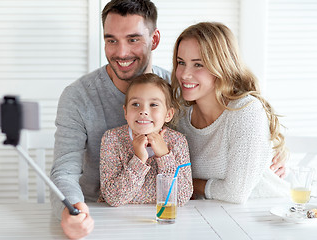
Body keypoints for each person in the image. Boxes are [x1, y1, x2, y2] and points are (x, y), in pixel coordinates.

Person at [50, 0, 286, 239]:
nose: (121, 52)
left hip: (216, 214)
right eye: (111, 40)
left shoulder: (177, 91)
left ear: (154, 40)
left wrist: (275, 148)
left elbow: (237, 129)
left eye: (133, 39)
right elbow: (64, 171)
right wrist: (69, 209)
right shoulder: (80, 96)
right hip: (103, 214)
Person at [171, 22, 289, 204]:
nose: (185, 74)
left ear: (221, 67)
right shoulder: (179, 115)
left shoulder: (245, 111)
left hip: (266, 213)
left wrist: (189, 183)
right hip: (210, 214)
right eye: (181, 62)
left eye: (198, 64)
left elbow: (235, 193)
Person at [99, 73, 192, 207]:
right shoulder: (112, 139)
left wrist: (164, 156)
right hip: (118, 219)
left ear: (168, 114)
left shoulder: (177, 141)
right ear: (125, 112)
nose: (143, 111)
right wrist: (138, 159)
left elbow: (181, 198)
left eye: (153, 104)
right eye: (135, 104)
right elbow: (113, 198)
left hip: (161, 218)